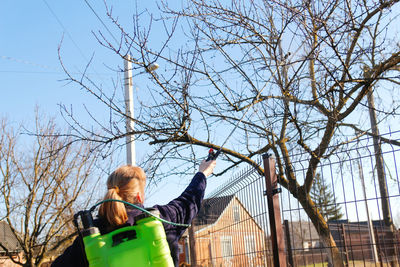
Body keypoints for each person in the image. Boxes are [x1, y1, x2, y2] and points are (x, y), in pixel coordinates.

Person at [51, 159, 216, 267]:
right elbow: (189, 201)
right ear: (139, 196)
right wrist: (202, 173)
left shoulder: (92, 236)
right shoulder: (159, 219)